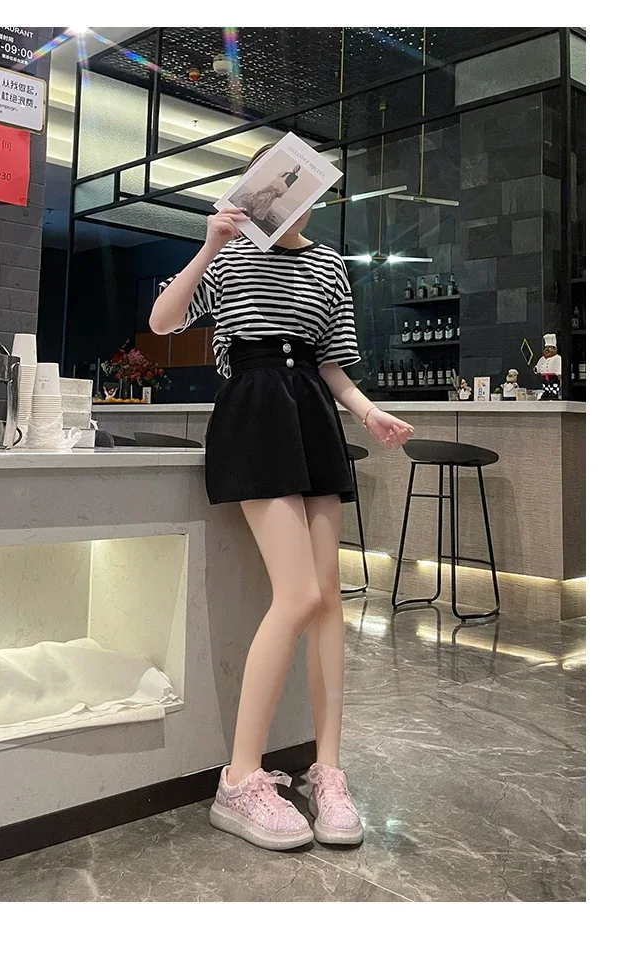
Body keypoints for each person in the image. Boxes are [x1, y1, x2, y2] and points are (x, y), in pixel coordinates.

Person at [150, 142, 414, 852]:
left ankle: (329, 771)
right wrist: (209, 245)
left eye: (302, 186)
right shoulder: (230, 256)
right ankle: (239, 778)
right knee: (297, 596)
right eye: (276, 183)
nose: (290, 197)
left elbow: (332, 363)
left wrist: (369, 413)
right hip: (254, 412)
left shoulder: (330, 266)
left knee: (328, 602)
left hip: (313, 419)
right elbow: (164, 320)